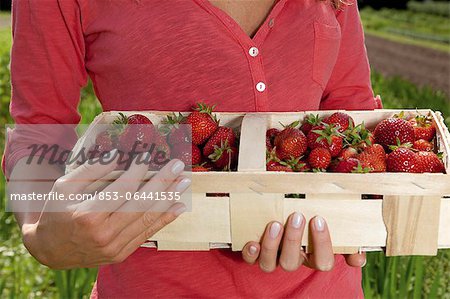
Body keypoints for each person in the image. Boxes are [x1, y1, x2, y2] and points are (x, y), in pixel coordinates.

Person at [4, 0, 382, 297]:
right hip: (154, 288)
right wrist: (41, 233)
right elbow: (40, 127)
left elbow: (351, 108)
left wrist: (358, 221)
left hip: (326, 286)